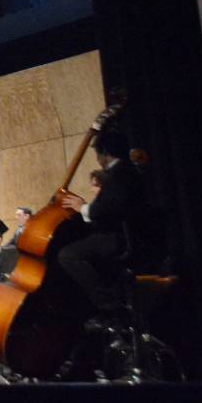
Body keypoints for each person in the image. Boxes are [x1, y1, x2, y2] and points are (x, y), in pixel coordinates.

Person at [58, 129, 149, 324]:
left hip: (121, 238)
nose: (98, 160)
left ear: (105, 152)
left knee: (68, 255)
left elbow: (106, 209)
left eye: (98, 154)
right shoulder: (124, 171)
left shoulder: (118, 173)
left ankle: (110, 306)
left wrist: (81, 207)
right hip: (124, 234)